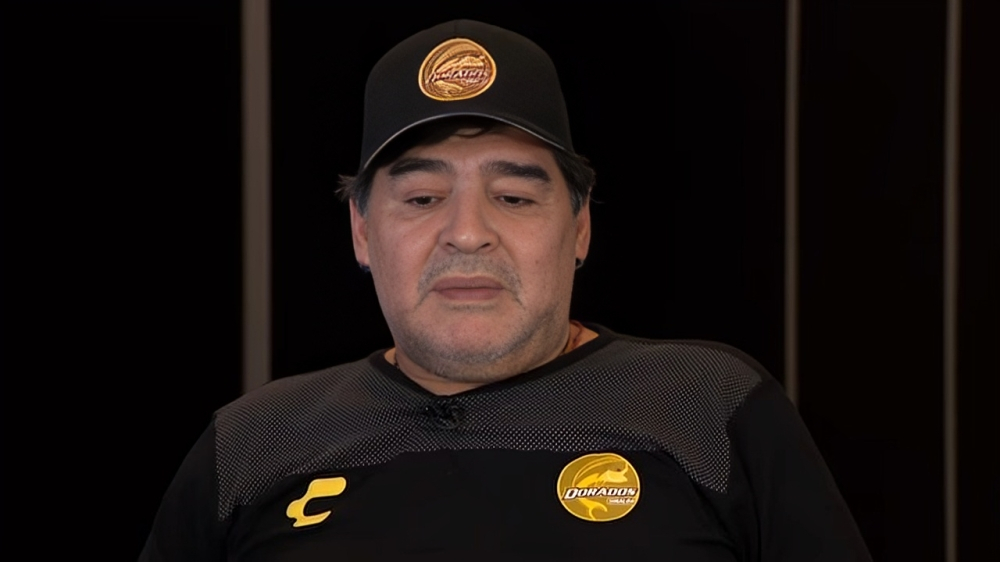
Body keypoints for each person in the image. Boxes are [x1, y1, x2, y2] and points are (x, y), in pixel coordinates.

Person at [140, 20, 872, 561]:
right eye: (422, 199)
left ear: (579, 229)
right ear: (362, 233)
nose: (467, 233)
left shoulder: (707, 407)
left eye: (514, 198)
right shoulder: (252, 443)